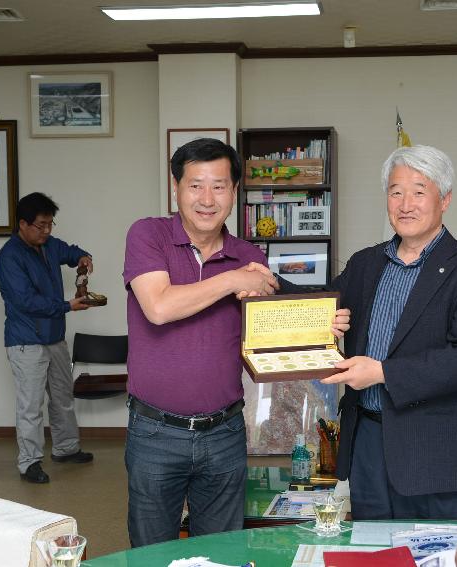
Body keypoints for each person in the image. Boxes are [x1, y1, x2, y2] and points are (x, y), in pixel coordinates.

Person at [321, 145, 457, 521]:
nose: (405, 204)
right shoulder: (365, 263)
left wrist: (382, 373)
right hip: (368, 445)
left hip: (436, 451)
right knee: (374, 558)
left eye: (419, 192)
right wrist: (264, 282)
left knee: (439, 557)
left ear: (445, 199)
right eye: (395, 191)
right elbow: (317, 303)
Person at [123, 138, 291, 546]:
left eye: (219, 185)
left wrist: (322, 326)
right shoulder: (149, 235)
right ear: (176, 188)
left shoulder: (249, 254)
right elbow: (159, 307)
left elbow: (268, 335)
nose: (207, 198)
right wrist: (234, 279)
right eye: (195, 184)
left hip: (224, 431)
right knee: (151, 553)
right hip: (155, 432)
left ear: (234, 192)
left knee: (220, 551)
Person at [0, 192, 94, 484]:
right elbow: (26, 301)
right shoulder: (9, 257)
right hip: (25, 342)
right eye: (41, 225)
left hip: (55, 338)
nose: (47, 230)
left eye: (50, 224)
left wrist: (83, 258)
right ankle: (29, 463)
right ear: (22, 224)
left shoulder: (49, 245)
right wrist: (67, 306)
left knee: (62, 398)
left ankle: (65, 448)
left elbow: (71, 251)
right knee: (31, 405)